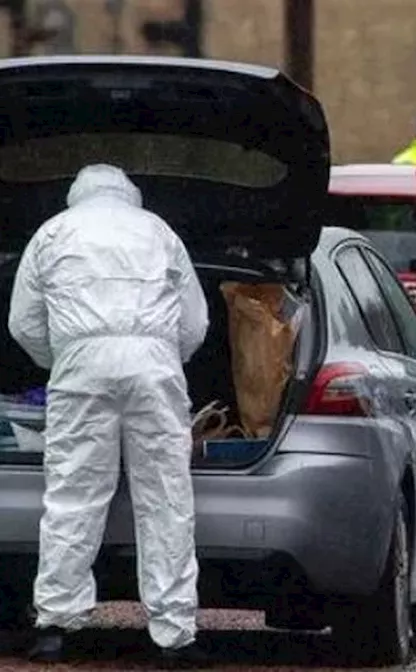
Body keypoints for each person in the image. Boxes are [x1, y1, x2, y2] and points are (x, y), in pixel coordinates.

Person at [8, 164, 210, 666]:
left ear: (78, 195)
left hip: (81, 365)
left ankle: (57, 625)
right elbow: (196, 323)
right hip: (153, 365)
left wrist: (62, 357)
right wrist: (163, 355)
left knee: (73, 495)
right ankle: (174, 633)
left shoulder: (52, 232)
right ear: (130, 195)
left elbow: (23, 323)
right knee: (165, 497)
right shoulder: (160, 231)